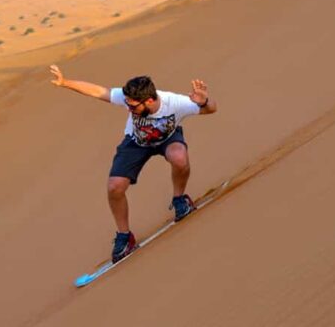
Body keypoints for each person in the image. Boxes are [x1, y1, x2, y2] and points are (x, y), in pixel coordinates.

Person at [49, 65, 217, 263]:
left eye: (133, 106)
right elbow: (98, 91)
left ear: (150, 100)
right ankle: (124, 236)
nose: (129, 109)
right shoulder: (129, 97)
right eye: (127, 104)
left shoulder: (176, 103)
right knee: (115, 187)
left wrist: (204, 101)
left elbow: (211, 109)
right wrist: (64, 82)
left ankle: (180, 200)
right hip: (135, 142)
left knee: (179, 157)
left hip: (167, 138)